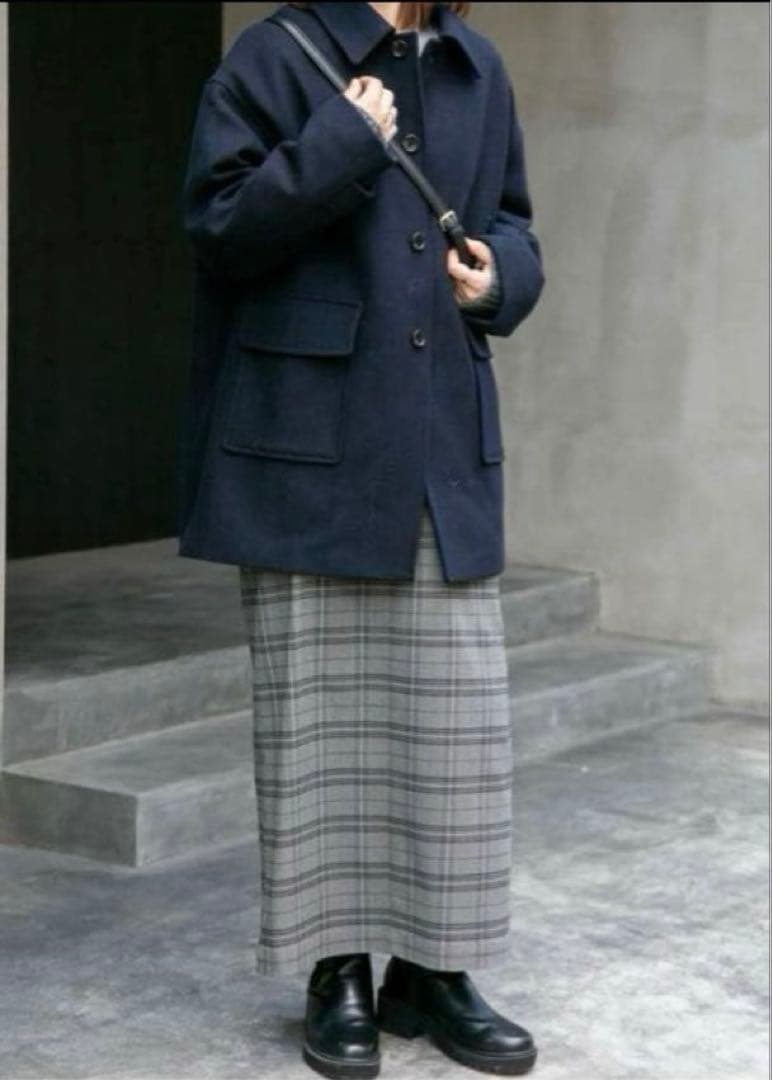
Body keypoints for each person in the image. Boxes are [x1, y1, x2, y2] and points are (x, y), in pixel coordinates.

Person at [178, 1, 545, 1076]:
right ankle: (333, 970)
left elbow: (514, 223)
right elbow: (218, 230)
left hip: (437, 444)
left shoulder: (476, 68)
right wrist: (339, 140)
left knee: (454, 731)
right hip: (312, 446)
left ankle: (432, 974)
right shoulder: (272, 56)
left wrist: (500, 278)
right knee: (318, 728)